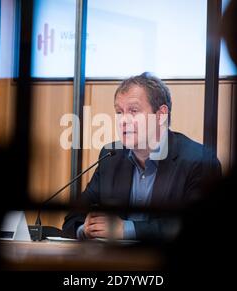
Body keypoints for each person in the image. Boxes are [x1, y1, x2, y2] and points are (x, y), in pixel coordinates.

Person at [62, 72, 221, 241]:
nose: (123, 120)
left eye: (133, 111)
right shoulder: (111, 157)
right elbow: (72, 219)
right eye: (119, 112)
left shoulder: (199, 161)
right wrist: (86, 230)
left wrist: (126, 229)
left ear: (161, 115)